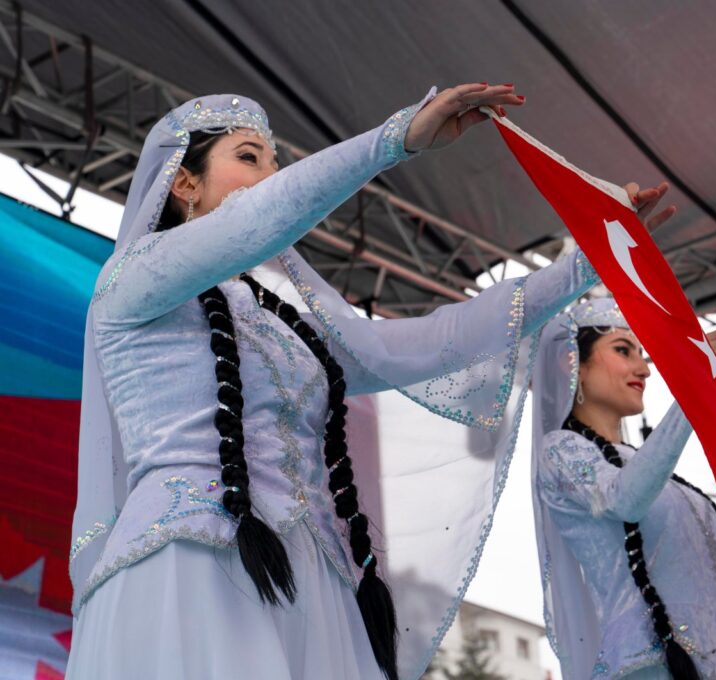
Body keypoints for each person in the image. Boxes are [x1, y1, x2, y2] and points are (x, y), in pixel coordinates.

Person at [66, 83, 672, 680]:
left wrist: (591, 261)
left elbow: (434, 342)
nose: (272, 175)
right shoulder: (133, 279)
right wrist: (396, 139)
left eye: (278, 163)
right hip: (191, 561)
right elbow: (259, 218)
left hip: (310, 581)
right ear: (183, 181)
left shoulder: (290, 328)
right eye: (249, 156)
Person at [530, 299, 716, 680]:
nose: (644, 369)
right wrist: (698, 385)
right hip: (648, 665)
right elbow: (624, 499)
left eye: (643, 355)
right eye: (623, 350)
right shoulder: (560, 450)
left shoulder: (662, 478)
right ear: (573, 365)